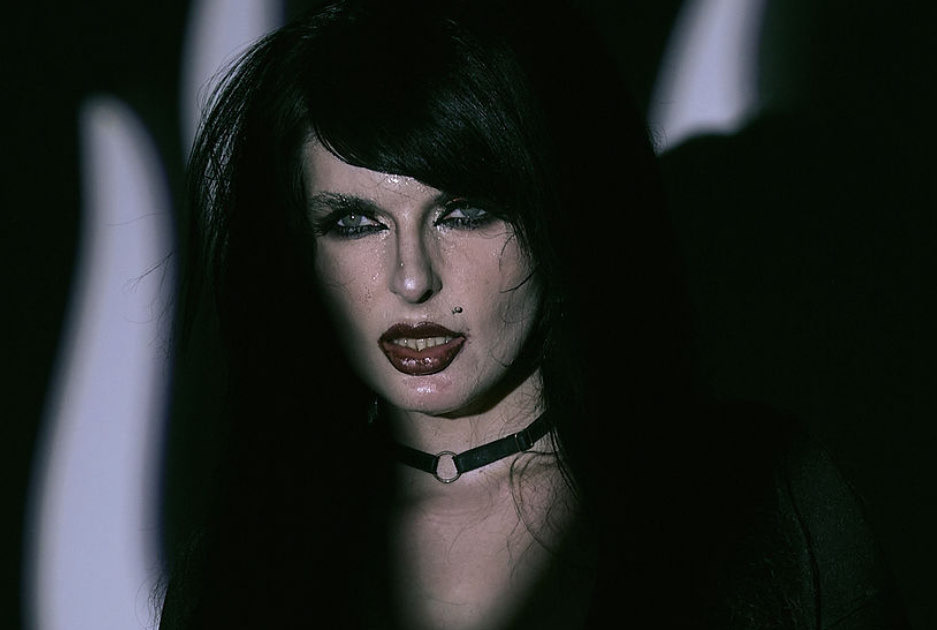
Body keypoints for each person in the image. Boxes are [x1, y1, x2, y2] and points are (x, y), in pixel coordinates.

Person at [156, 1, 906, 628]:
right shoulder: (246, 555)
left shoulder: (754, 498)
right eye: (355, 222)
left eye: (465, 212)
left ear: (555, 215)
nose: (411, 279)